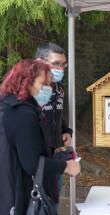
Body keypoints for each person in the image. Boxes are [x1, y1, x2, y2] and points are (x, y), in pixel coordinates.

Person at [0, 59, 80, 214]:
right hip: (17, 197)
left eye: (49, 85)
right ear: (26, 82)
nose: (48, 89)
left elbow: (19, 147)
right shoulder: (23, 114)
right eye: (43, 84)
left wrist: (51, 150)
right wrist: (66, 166)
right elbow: (32, 164)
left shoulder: (7, 106)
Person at [35, 42, 73, 205]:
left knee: (52, 204)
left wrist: (66, 132)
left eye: (63, 65)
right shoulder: (27, 89)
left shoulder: (59, 88)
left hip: (57, 155)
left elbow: (57, 115)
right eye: (56, 64)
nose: (60, 69)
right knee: (35, 205)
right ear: (39, 62)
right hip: (36, 159)